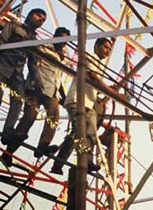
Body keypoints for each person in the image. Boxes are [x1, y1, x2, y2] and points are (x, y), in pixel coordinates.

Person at [0, 27, 71, 166]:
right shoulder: (43, 46)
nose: (63, 43)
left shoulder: (64, 55)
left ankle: (43, 145)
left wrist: (64, 96)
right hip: (35, 87)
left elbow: (58, 76)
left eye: (66, 41)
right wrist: (35, 75)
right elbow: (32, 60)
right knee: (29, 117)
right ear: (55, 36)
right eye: (61, 39)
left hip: (52, 90)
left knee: (53, 116)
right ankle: (8, 152)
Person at [50, 37, 121, 175]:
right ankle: (84, 162)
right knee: (83, 132)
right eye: (106, 47)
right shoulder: (90, 58)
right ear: (96, 46)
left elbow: (95, 85)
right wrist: (113, 93)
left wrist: (111, 89)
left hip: (88, 103)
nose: (107, 51)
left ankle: (61, 163)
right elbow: (93, 77)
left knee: (85, 133)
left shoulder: (98, 65)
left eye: (109, 49)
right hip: (77, 101)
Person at [0, 8, 47, 146]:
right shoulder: (14, 26)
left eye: (43, 19)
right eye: (38, 16)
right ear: (29, 16)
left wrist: (37, 79)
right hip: (2, 66)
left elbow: (33, 63)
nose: (40, 20)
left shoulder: (34, 40)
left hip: (17, 73)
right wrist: (12, 48)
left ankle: (8, 132)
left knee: (18, 100)